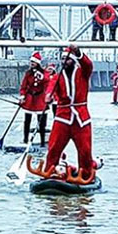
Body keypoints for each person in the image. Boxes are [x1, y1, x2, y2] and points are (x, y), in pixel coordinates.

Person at [44, 45, 95, 183]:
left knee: (85, 149)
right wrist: (48, 96)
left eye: (67, 60)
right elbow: (51, 87)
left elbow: (88, 65)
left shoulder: (82, 73)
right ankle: (50, 171)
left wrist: (78, 52)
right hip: (63, 116)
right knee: (54, 147)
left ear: (72, 60)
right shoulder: (57, 76)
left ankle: (86, 174)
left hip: (81, 117)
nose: (64, 62)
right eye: (62, 60)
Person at [19, 52, 48, 146]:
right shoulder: (28, 73)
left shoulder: (44, 73)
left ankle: (43, 142)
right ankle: (25, 139)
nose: (32, 63)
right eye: (31, 62)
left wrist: (42, 77)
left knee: (42, 123)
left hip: (40, 99)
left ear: (38, 63)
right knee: (27, 121)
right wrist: (22, 97)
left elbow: (48, 82)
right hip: (30, 99)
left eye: (33, 62)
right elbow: (23, 86)